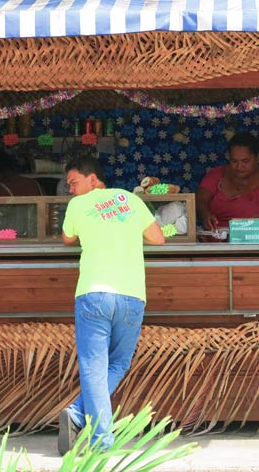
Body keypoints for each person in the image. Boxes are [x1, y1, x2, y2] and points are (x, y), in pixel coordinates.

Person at [58, 156, 165, 455]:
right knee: (118, 362)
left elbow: (68, 239)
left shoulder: (78, 205)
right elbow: (158, 239)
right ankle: (79, 417)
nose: (71, 190)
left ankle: (96, 437)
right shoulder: (130, 199)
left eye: (74, 183)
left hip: (93, 293)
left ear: (94, 179)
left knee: (94, 366)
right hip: (132, 295)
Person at [196, 133, 259, 230]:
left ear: (257, 158)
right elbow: (199, 200)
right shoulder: (216, 174)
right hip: (215, 242)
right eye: (234, 161)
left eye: (245, 161)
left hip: (255, 242)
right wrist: (206, 216)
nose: (239, 167)